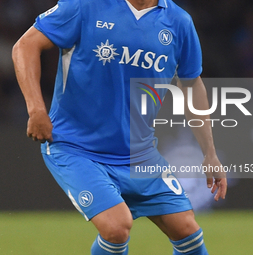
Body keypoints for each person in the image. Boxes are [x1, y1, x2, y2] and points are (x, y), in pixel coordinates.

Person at [12, 0, 227, 254]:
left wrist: (210, 153)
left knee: (188, 231)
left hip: (140, 155)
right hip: (77, 148)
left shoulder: (179, 22)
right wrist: (36, 109)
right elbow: (25, 46)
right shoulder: (85, 6)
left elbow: (192, 86)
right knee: (116, 227)